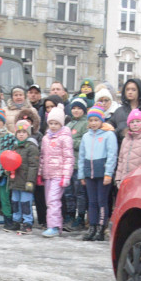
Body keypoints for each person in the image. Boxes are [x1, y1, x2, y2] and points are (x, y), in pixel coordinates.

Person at [78, 106, 117, 241]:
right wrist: (82, 174)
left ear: (102, 120)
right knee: (92, 202)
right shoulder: (86, 136)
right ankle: (92, 226)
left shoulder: (108, 135)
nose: (93, 123)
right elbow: (81, 156)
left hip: (102, 173)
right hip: (90, 173)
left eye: (96, 120)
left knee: (102, 201)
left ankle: (101, 227)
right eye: (91, 120)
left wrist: (108, 173)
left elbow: (112, 155)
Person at [39, 105, 74, 238]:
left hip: (59, 175)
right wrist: (40, 172)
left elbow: (68, 158)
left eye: (56, 123)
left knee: (53, 200)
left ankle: (53, 226)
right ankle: (55, 225)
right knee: (49, 201)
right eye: (51, 123)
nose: (53, 126)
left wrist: (66, 176)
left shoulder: (65, 138)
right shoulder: (45, 138)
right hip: (48, 174)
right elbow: (43, 157)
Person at [7, 120, 41, 234]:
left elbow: (33, 165)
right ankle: (16, 220)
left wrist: (30, 181)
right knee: (15, 202)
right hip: (15, 180)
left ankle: (27, 222)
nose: (21, 134)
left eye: (24, 132)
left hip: (26, 180)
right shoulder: (15, 146)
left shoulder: (31, 147)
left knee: (25, 202)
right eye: (19, 132)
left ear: (28, 133)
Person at [63, 97, 89, 232]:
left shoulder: (85, 124)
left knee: (80, 192)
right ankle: (70, 215)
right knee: (68, 192)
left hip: (79, 164)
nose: (76, 110)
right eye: (74, 108)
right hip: (68, 165)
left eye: (79, 108)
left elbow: (86, 141)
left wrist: (71, 142)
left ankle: (80, 217)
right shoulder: (68, 125)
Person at [115, 108, 141, 190]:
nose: (135, 124)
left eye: (138, 121)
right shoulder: (125, 140)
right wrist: (118, 178)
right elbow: (121, 160)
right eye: (132, 122)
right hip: (125, 179)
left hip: (139, 180)